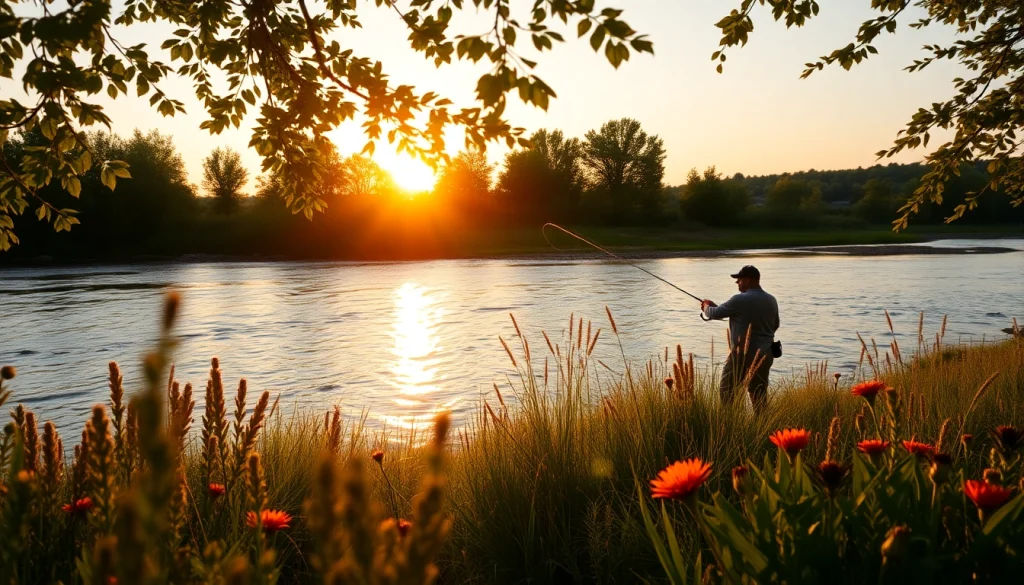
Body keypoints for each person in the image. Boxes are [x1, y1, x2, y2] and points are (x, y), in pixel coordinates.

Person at [700, 265, 780, 414]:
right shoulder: (771, 300)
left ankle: (732, 424)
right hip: (766, 353)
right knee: (759, 394)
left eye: (739, 280)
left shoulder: (740, 299)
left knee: (727, 391)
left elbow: (714, 313)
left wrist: (705, 306)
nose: (737, 283)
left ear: (748, 280)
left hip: (741, 355)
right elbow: (775, 325)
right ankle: (762, 427)